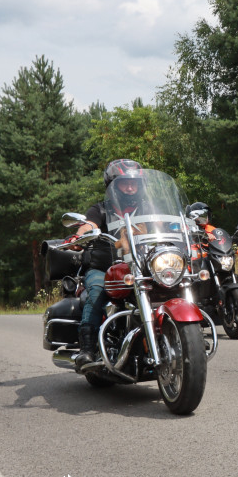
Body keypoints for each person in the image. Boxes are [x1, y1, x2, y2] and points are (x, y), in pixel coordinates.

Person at [64, 159, 143, 370]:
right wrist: (78, 237)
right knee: (98, 291)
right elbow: (88, 225)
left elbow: (164, 225)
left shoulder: (146, 210)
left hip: (139, 268)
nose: (129, 187)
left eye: (133, 183)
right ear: (112, 186)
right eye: (124, 183)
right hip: (103, 268)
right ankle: (87, 348)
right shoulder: (100, 209)